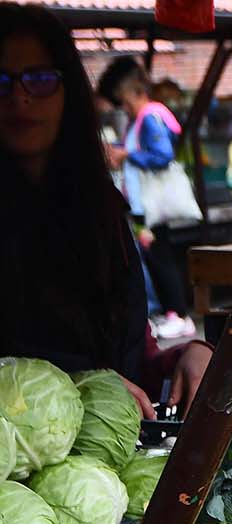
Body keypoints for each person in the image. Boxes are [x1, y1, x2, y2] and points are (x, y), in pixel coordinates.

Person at [0, 3, 209, 416]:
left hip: (107, 453)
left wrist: (186, 356)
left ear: (69, 91)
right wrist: (81, 383)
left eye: (40, 79)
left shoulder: (102, 209)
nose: (20, 98)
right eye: (1, 81)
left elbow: (131, 358)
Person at [97, 56, 195, 340]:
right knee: (155, 255)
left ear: (134, 92)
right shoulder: (139, 119)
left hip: (153, 206)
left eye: (124, 99)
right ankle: (172, 313)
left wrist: (126, 154)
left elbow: (163, 155)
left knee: (161, 256)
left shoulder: (150, 116)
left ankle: (179, 314)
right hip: (143, 207)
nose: (123, 106)